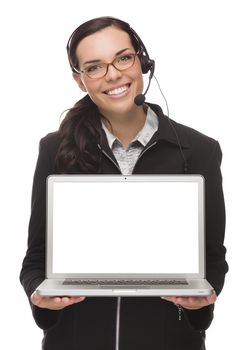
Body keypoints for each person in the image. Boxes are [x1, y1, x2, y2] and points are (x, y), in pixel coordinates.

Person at [20, 16, 228, 350]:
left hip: (167, 341)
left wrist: (201, 303)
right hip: (75, 340)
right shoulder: (54, 149)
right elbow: (36, 257)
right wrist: (39, 296)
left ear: (142, 61)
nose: (113, 74)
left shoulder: (200, 150)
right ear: (79, 79)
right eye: (94, 67)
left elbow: (213, 258)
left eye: (123, 58)